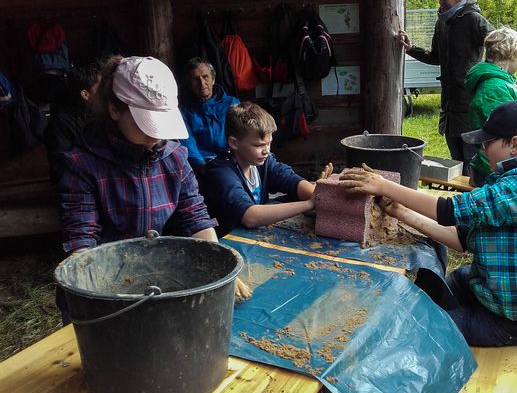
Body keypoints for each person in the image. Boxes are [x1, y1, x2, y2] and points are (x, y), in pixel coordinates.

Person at [339, 101, 517, 347]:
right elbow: (461, 240)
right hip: (502, 296)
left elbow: (448, 211)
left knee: (421, 329)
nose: (482, 151)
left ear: (515, 145)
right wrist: (400, 212)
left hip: (512, 320)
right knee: (446, 284)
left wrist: (383, 185)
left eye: (487, 143)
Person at [54, 55, 251, 303]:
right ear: (114, 109)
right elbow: (82, 239)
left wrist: (222, 273)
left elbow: (195, 215)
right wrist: (89, 293)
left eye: (161, 122)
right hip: (102, 279)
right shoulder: (82, 164)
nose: (156, 135)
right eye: (147, 123)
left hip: (154, 273)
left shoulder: (174, 156)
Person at [398, 0, 493, 173]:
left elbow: (499, 44)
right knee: (456, 162)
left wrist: (485, 75)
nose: (441, 1)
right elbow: (435, 57)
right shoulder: (443, 22)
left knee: (471, 162)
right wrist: (410, 48)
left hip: (470, 104)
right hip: (449, 107)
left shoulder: (474, 20)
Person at [201, 101, 333, 237]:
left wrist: (319, 195)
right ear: (234, 143)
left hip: (250, 237)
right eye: (258, 145)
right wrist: (310, 204)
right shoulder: (220, 172)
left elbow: (292, 181)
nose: (266, 151)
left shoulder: (263, 162)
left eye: (269, 144)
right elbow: (250, 217)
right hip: (225, 241)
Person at [465, 27, 517, 187]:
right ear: (512, 56)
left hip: (502, 166)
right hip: (495, 171)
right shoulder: (493, 88)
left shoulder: (499, 82)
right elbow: (500, 136)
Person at [179, 58, 240, 177]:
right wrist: (201, 163)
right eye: (195, 79)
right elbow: (187, 141)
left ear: (213, 79)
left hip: (233, 159)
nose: (202, 83)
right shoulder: (185, 111)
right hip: (204, 163)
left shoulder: (232, 104)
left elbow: (243, 134)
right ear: (189, 85)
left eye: (205, 77)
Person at [44, 59, 102, 181]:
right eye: (100, 89)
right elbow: (62, 163)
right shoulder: (62, 122)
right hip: (75, 180)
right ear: (85, 94)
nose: (106, 92)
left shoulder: (100, 113)